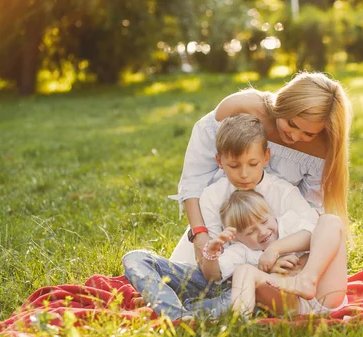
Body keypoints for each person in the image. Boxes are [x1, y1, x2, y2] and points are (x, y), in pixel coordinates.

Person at [123, 114, 319, 320]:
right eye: (234, 166)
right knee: (135, 258)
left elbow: (316, 235)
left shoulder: (283, 192)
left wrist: (280, 262)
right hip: (214, 278)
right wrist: (210, 253)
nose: (244, 174)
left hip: (255, 286)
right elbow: (210, 274)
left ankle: (179, 306)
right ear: (220, 161)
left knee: (238, 298)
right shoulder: (212, 196)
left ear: (266, 157)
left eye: (252, 164)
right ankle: (178, 315)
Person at [171, 72, 353, 265]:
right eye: (291, 124)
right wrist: (199, 234)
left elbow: (309, 210)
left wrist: (282, 252)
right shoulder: (238, 108)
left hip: (276, 235)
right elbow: (195, 180)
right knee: (186, 279)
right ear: (282, 104)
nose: (295, 136)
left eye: (308, 133)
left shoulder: (321, 149)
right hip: (220, 222)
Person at [201, 190, 347, 316]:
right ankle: (239, 321)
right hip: (291, 305)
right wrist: (211, 252)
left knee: (330, 221)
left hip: (325, 292)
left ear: (271, 214)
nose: (263, 232)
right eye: (250, 232)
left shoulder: (288, 223)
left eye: (264, 222)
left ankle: (307, 279)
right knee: (244, 270)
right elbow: (214, 275)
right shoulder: (241, 250)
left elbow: (312, 235)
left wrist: (274, 249)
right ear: (237, 238)